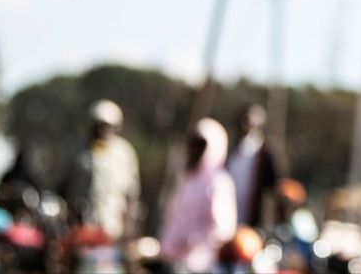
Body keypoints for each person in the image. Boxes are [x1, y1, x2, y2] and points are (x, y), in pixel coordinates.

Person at [159, 117, 238, 273]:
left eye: (200, 146)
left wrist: (192, 241)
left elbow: (223, 229)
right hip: (172, 260)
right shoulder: (186, 178)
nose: (195, 150)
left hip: (199, 265)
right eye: (193, 145)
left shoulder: (218, 182)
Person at [63, 99, 141, 245]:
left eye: (107, 126)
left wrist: (129, 228)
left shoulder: (124, 153)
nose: (103, 130)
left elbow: (133, 195)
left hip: (112, 230)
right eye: (99, 125)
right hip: (81, 229)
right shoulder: (78, 150)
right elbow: (65, 186)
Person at [226, 103, 284, 229]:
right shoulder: (233, 151)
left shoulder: (267, 153)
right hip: (229, 216)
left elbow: (275, 187)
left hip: (255, 221)